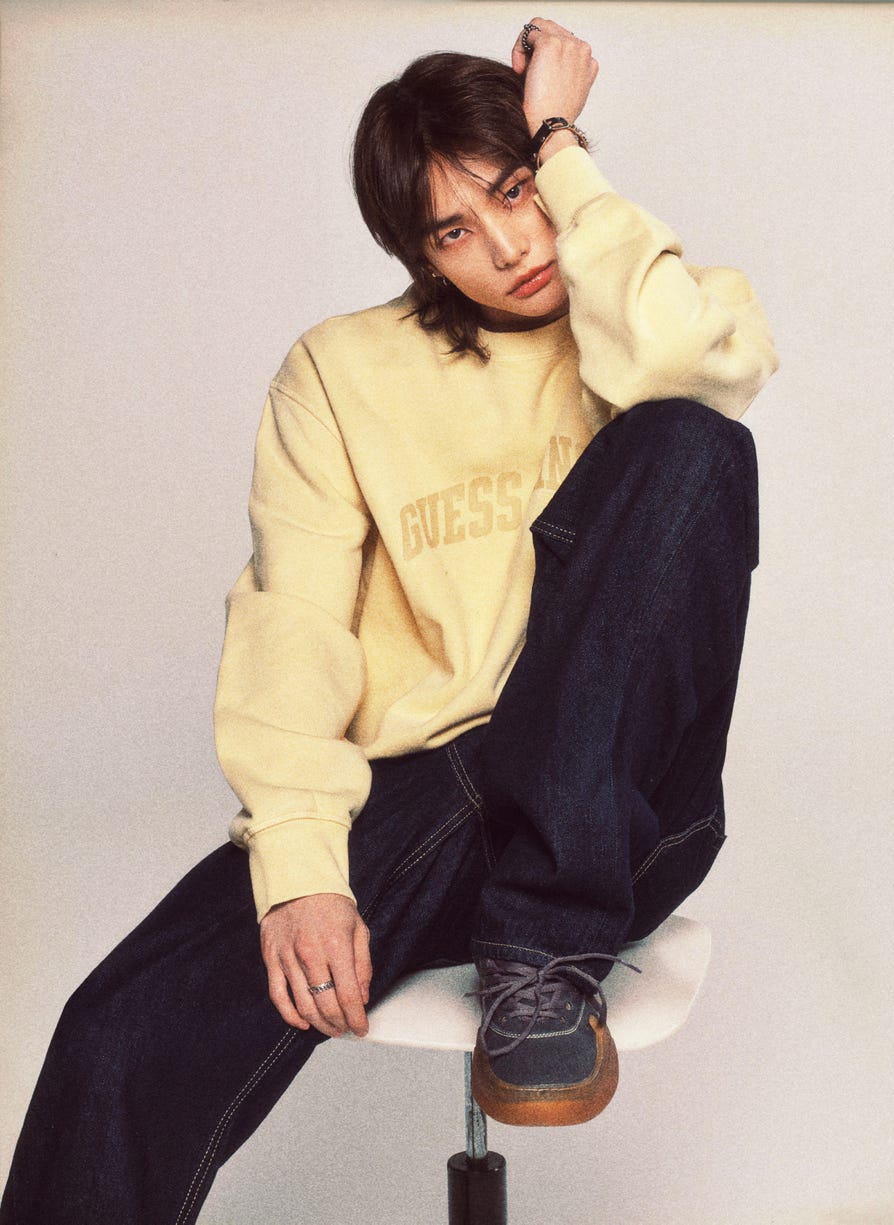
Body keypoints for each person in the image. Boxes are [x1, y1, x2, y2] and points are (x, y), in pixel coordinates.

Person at [1, 17, 777, 1224]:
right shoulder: (338, 371)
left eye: (518, 191)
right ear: (419, 257)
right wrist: (303, 866)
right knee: (116, 1034)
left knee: (687, 441)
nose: (511, 244)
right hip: (433, 791)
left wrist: (559, 134)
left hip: (622, 803)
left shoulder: (655, 311)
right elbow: (293, 624)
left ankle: (545, 949)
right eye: (455, 230)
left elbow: (680, 360)